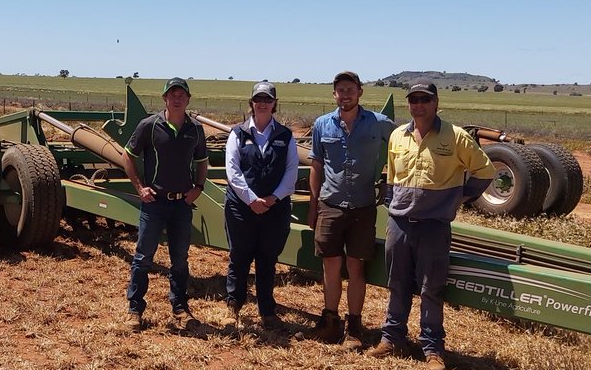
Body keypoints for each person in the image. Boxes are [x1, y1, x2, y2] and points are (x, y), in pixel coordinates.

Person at [367, 82, 496, 370]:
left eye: (425, 99)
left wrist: (459, 197)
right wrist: (391, 202)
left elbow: (485, 171)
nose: (419, 105)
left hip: (433, 226)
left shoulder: (455, 136)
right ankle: (392, 338)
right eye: (414, 100)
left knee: (430, 288)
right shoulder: (398, 136)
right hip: (399, 223)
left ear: (436, 102)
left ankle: (432, 349)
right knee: (397, 283)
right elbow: (390, 175)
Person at [307, 70, 395, 349]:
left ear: (360, 92)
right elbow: (316, 166)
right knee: (331, 265)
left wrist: (388, 184)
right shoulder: (322, 124)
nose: (345, 95)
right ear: (334, 94)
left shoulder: (379, 124)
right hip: (330, 204)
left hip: (363, 206)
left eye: (350, 89)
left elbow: (402, 150)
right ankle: (330, 323)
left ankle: (354, 328)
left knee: (356, 267)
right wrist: (314, 205)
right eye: (340, 90)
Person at [120, 77, 209, 326]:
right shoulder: (150, 125)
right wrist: (139, 188)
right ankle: (135, 310)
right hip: (155, 204)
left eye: (182, 95)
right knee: (143, 257)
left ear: (188, 99)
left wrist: (198, 188)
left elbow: (202, 162)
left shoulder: (195, 130)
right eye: (173, 94)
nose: (177, 98)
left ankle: (180, 308)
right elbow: (127, 155)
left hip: (182, 205)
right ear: (165, 99)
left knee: (180, 259)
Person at [223, 81, 299, 333]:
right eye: (258, 99)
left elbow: (291, 172)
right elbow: (232, 171)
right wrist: (251, 200)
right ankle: (233, 306)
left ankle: (267, 311)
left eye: (267, 99)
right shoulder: (238, 133)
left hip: (274, 208)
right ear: (251, 103)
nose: (263, 103)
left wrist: (272, 198)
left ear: (275, 104)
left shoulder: (285, 136)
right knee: (239, 256)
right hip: (241, 207)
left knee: (267, 259)